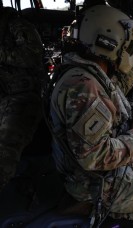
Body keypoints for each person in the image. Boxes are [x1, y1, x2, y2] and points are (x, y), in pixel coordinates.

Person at [47, 4, 133, 225]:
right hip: (90, 181)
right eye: (126, 47)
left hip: (98, 163)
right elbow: (95, 158)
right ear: (108, 43)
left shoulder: (86, 71)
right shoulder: (83, 87)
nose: (127, 52)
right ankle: (90, 207)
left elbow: (113, 89)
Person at [0, 4, 45, 192]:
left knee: (5, 147)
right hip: (5, 93)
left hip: (23, 97)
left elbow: (32, 56)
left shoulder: (16, 25)